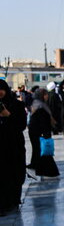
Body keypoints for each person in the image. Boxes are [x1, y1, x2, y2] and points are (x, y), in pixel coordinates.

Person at [0, 80, 27, 216]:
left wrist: (8, 115)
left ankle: (13, 201)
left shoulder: (17, 105)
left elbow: (21, 125)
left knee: (14, 173)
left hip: (13, 146)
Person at [28, 88, 60, 178]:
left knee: (40, 151)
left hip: (37, 132)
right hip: (39, 132)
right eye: (45, 94)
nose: (47, 96)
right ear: (41, 95)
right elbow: (42, 121)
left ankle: (38, 169)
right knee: (44, 151)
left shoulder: (38, 104)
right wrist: (45, 133)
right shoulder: (40, 106)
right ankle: (47, 171)